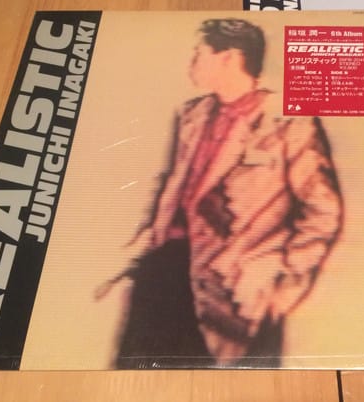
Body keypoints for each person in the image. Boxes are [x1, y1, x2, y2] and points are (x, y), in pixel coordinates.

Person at [110, 18, 344, 368]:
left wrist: (282, 279)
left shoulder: (288, 124)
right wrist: (148, 235)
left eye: (198, 53)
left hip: (234, 297)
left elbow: (323, 211)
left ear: (229, 58)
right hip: (165, 277)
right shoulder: (191, 114)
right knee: (137, 378)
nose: (191, 62)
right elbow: (172, 180)